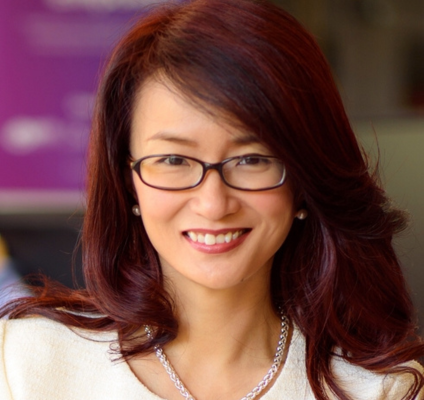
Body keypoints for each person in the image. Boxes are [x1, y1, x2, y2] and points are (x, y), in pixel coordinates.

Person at [1, 0, 423, 399]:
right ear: (128, 180)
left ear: (303, 178)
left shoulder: (381, 388)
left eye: (251, 159)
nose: (213, 204)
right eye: (173, 159)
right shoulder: (25, 361)